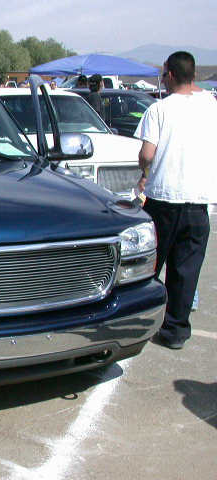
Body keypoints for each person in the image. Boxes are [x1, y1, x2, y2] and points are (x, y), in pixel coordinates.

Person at [134, 51, 217, 349]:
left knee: (148, 265)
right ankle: (175, 331)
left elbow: (147, 154)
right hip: (198, 201)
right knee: (186, 270)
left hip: (163, 198)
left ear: (169, 75)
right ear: (193, 74)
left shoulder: (159, 109)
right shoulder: (211, 106)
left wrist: (143, 170)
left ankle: (139, 320)